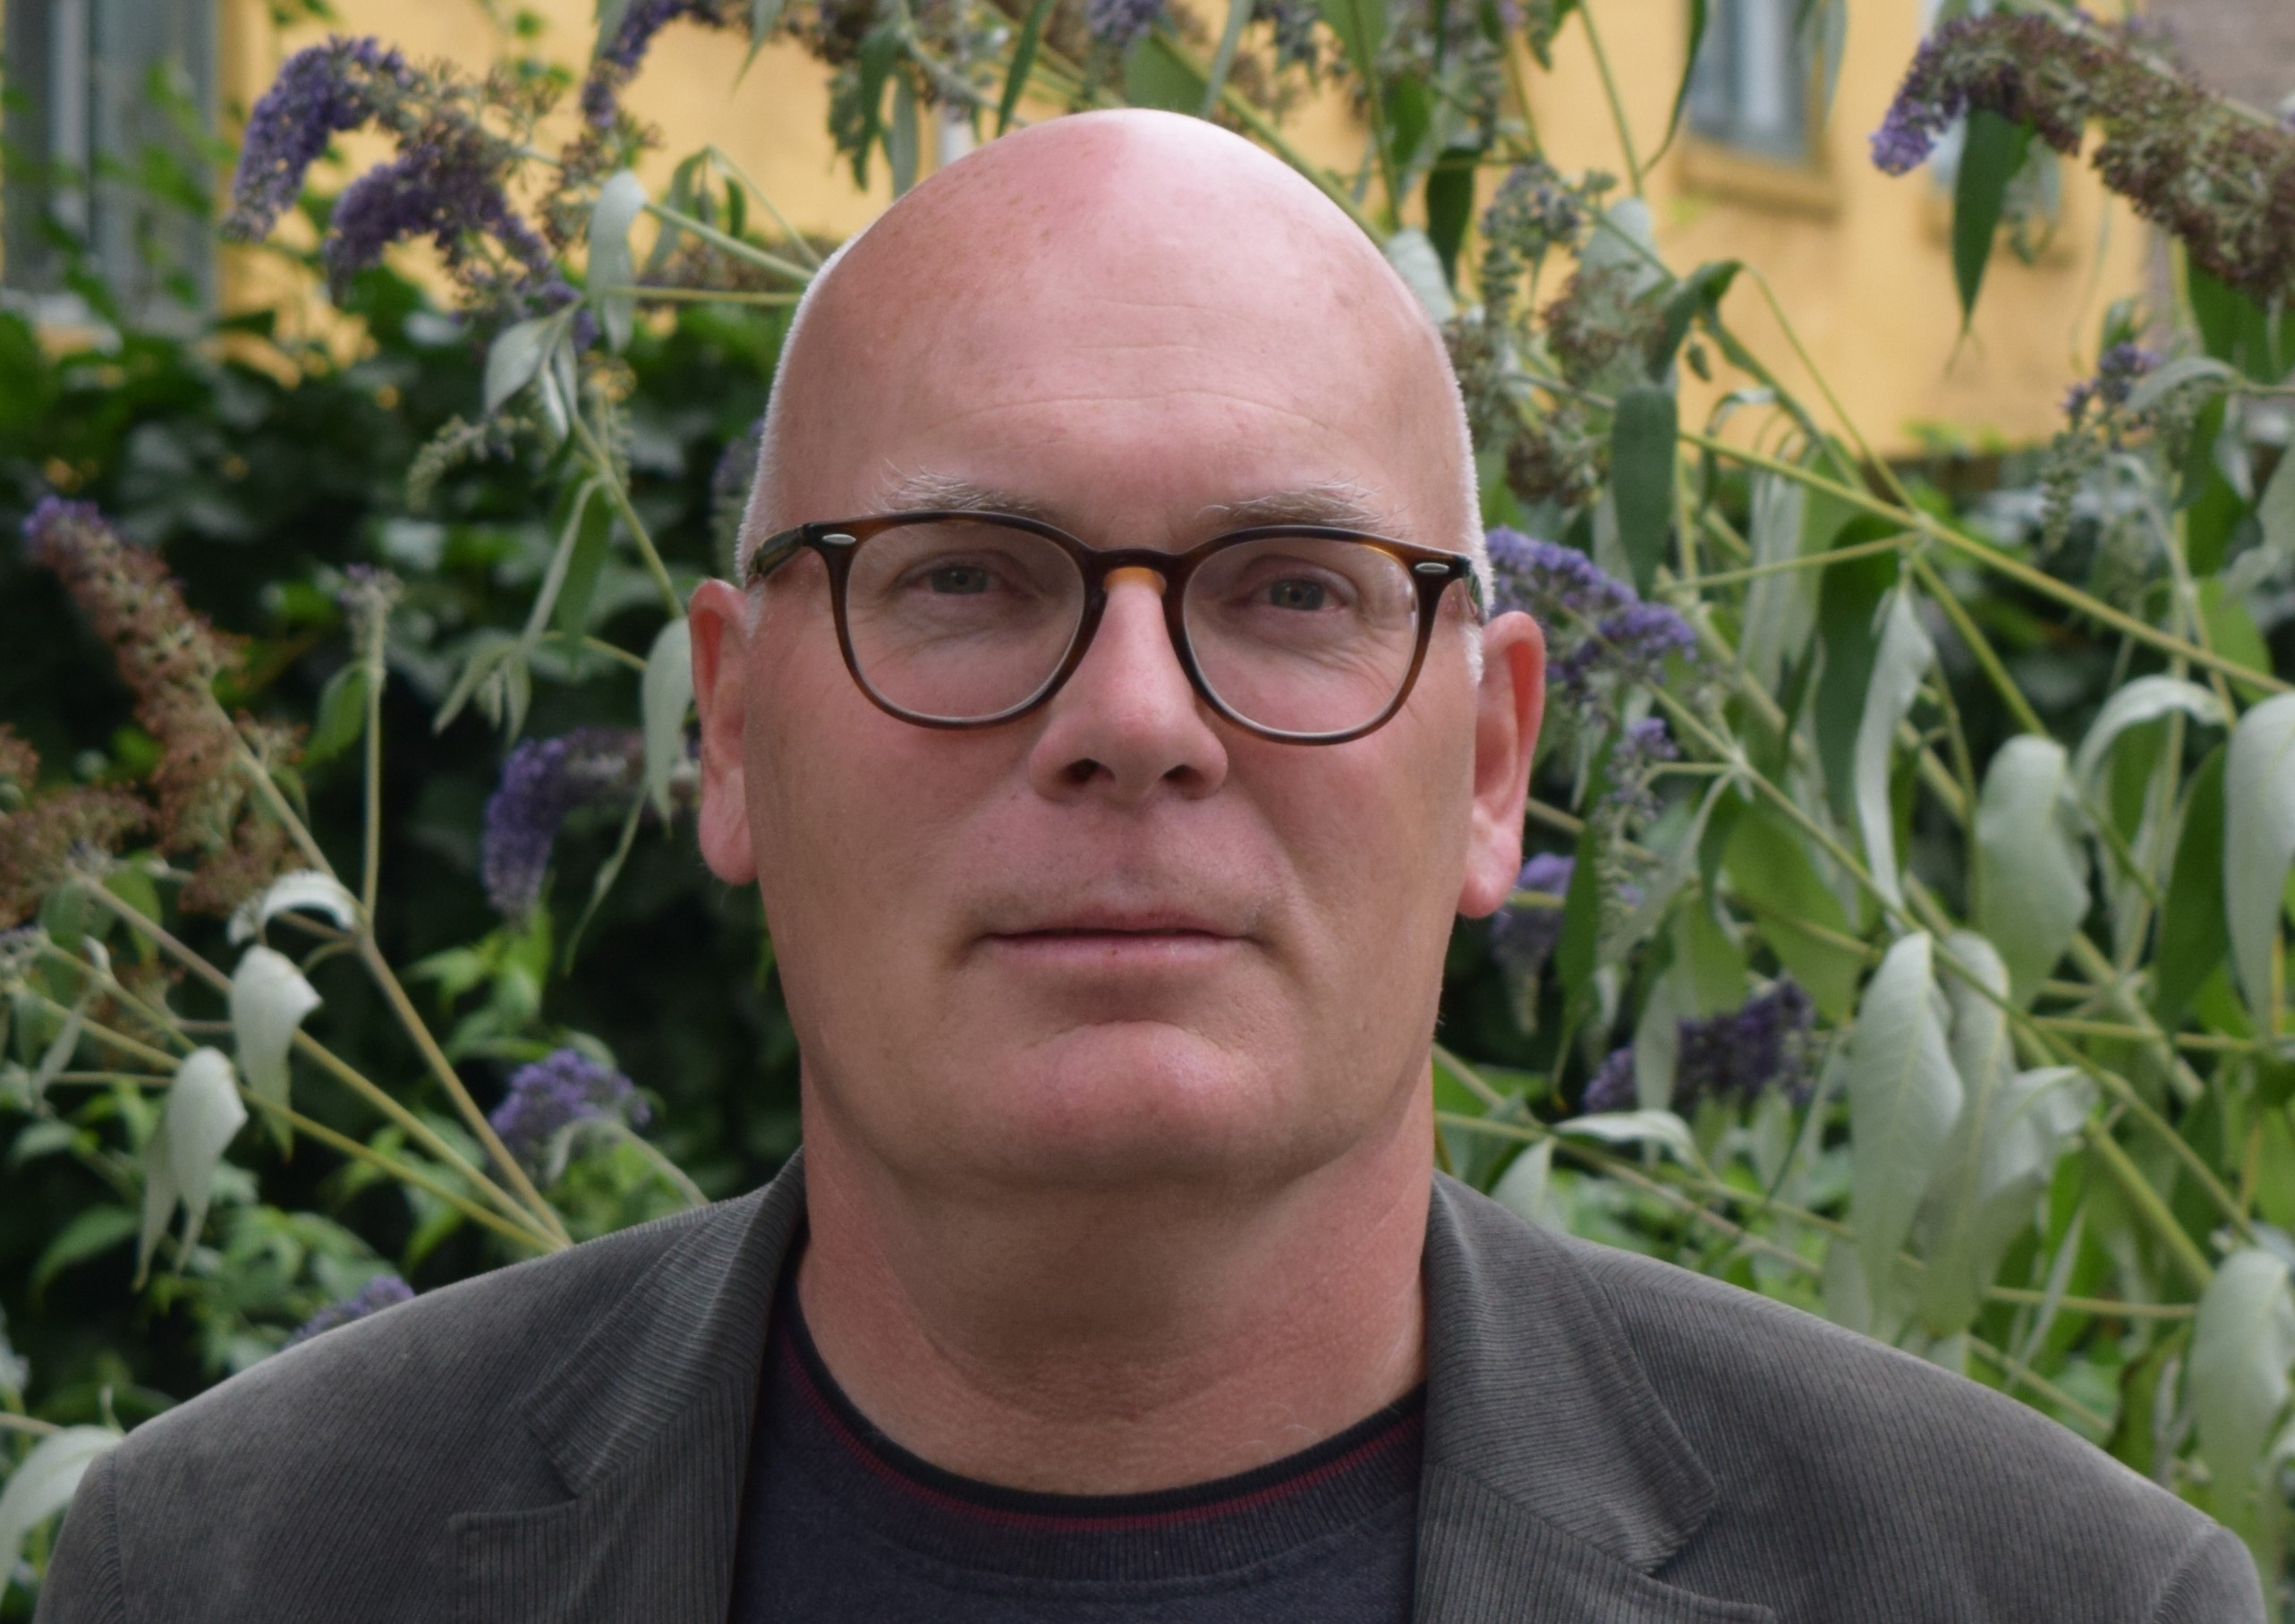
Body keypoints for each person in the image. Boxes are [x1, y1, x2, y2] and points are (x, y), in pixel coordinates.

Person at [37, 109, 2257, 1624]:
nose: (1131, 713)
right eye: (962, 576)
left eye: (1290, 588)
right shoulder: (233, 1566)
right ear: (729, 727)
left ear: (1491, 762)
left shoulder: (2044, 1594)